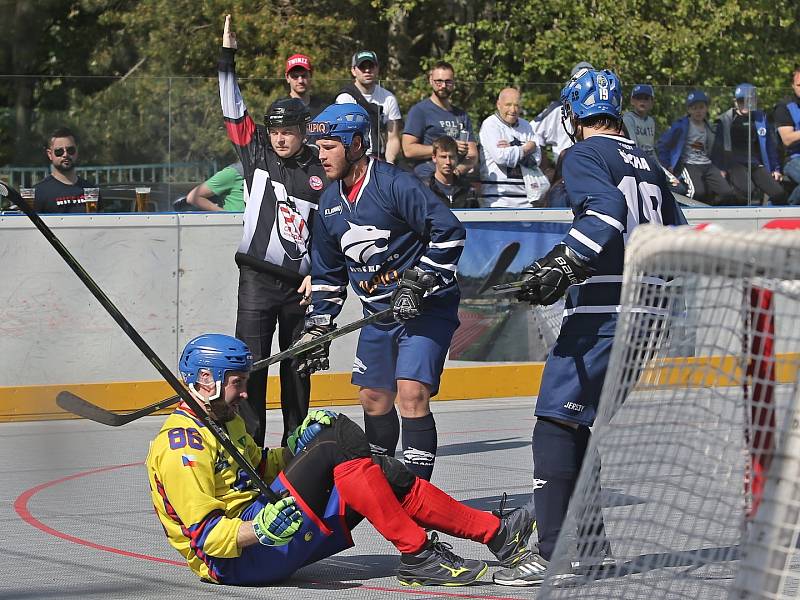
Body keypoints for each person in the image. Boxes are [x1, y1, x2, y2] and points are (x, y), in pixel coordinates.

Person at [492, 67, 687, 586]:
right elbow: (677, 238)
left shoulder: (583, 154)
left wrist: (567, 262)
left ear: (575, 115)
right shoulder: (649, 161)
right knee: (579, 426)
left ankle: (556, 556)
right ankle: (594, 549)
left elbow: (607, 210)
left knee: (555, 422)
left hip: (606, 309)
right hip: (651, 313)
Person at [146, 333, 536, 586]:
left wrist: (297, 444)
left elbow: (259, 469)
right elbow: (207, 539)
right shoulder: (184, 448)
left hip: (268, 527)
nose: (245, 393)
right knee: (339, 442)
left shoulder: (223, 421)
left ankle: (493, 533)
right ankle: (418, 555)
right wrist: (259, 531)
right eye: (238, 382)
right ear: (205, 380)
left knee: (372, 467)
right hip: (239, 560)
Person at [298, 103, 466, 481]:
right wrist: (319, 324)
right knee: (372, 398)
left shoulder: (394, 184)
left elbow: (450, 232)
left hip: (426, 310)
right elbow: (327, 273)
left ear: (356, 144)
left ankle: (418, 495)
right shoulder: (328, 205)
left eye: (328, 147)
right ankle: (385, 482)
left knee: (410, 394)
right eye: (318, 149)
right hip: (379, 314)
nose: (320, 156)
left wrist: (419, 281)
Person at [219, 15, 328, 447]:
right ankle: (251, 452)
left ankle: (297, 452)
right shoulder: (256, 152)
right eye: (276, 130)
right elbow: (231, 105)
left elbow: (332, 227)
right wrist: (226, 57)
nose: (281, 138)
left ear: (304, 131)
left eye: (289, 132)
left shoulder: (323, 167)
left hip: (301, 287)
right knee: (251, 367)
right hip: (257, 280)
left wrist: (319, 273)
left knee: (298, 372)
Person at [657, 90, 736, 205]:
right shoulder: (681, 126)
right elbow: (662, 144)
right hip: (689, 164)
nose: (698, 111)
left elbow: (716, 150)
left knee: (726, 192)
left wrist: (720, 168)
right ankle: (685, 213)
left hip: (707, 164)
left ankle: (711, 210)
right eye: (694, 108)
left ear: (706, 108)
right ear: (689, 110)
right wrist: (667, 164)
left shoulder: (710, 127)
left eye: (701, 107)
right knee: (697, 192)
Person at [402, 61, 478, 180]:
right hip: (427, 179)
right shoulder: (419, 111)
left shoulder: (462, 115)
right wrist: (448, 147)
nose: (443, 85)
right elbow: (408, 150)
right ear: (431, 81)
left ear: (453, 83)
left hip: (457, 182)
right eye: (439, 81)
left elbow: (473, 155)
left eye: (448, 81)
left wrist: (457, 171)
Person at [711, 83, 785, 205]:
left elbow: (770, 146)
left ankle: (769, 219)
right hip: (734, 165)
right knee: (747, 190)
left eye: (749, 100)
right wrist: (719, 169)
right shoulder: (726, 120)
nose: (745, 104)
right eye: (741, 101)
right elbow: (717, 147)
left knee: (778, 193)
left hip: (755, 164)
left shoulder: (761, 119)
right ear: (735, 102)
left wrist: (775, 169)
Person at [479, 87, 549, 207]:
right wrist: (527, 148)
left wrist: (512, 148)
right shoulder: (490, 125)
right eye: (508, 105)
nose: (513, 109)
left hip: (527, 200)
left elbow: (537, 159)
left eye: (516, 105)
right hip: (497, 201)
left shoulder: (526, 126)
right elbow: (501, 158)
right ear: (498, 104)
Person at [335, 50, 403, 164]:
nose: (367, 70)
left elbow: (393, 138)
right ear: (353, 70)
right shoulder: (345, 98)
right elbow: (343, 137)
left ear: (377, 68)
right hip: (354, 159)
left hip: (381, 159)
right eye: (362, 67)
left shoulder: (389, 98)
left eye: (371, 66)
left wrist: (389, 163)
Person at [531, 61, 593, 171]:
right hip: (564, 171)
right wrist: (545, 168)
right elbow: (532, 132)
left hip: (594, 168)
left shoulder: (602, 111)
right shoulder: (558, 108)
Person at [34, 127, 102, 213]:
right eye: (59, 151)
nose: (65, 154)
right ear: (50, 154)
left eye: (70, 150)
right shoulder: (38, 193)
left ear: (77, 151)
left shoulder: (91, 190)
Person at [426, 135, 479, 208]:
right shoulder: (425, 189)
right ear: (434, 158)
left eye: (451, 157)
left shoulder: (468, 191)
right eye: (443, 157)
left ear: (457, 158)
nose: (448, 162)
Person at [773, 65, 800, 205]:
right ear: (793, 85)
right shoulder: (784, 107)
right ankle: (786, 209)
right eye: (799, 85)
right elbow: (787, 139)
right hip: (793, 159)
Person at [285, 52, 328, 118]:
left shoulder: (324, 110)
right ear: (287, 78)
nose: (300, 81)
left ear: (311, 76)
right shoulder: (278, 109)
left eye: (304, 76)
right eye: (295, 76)